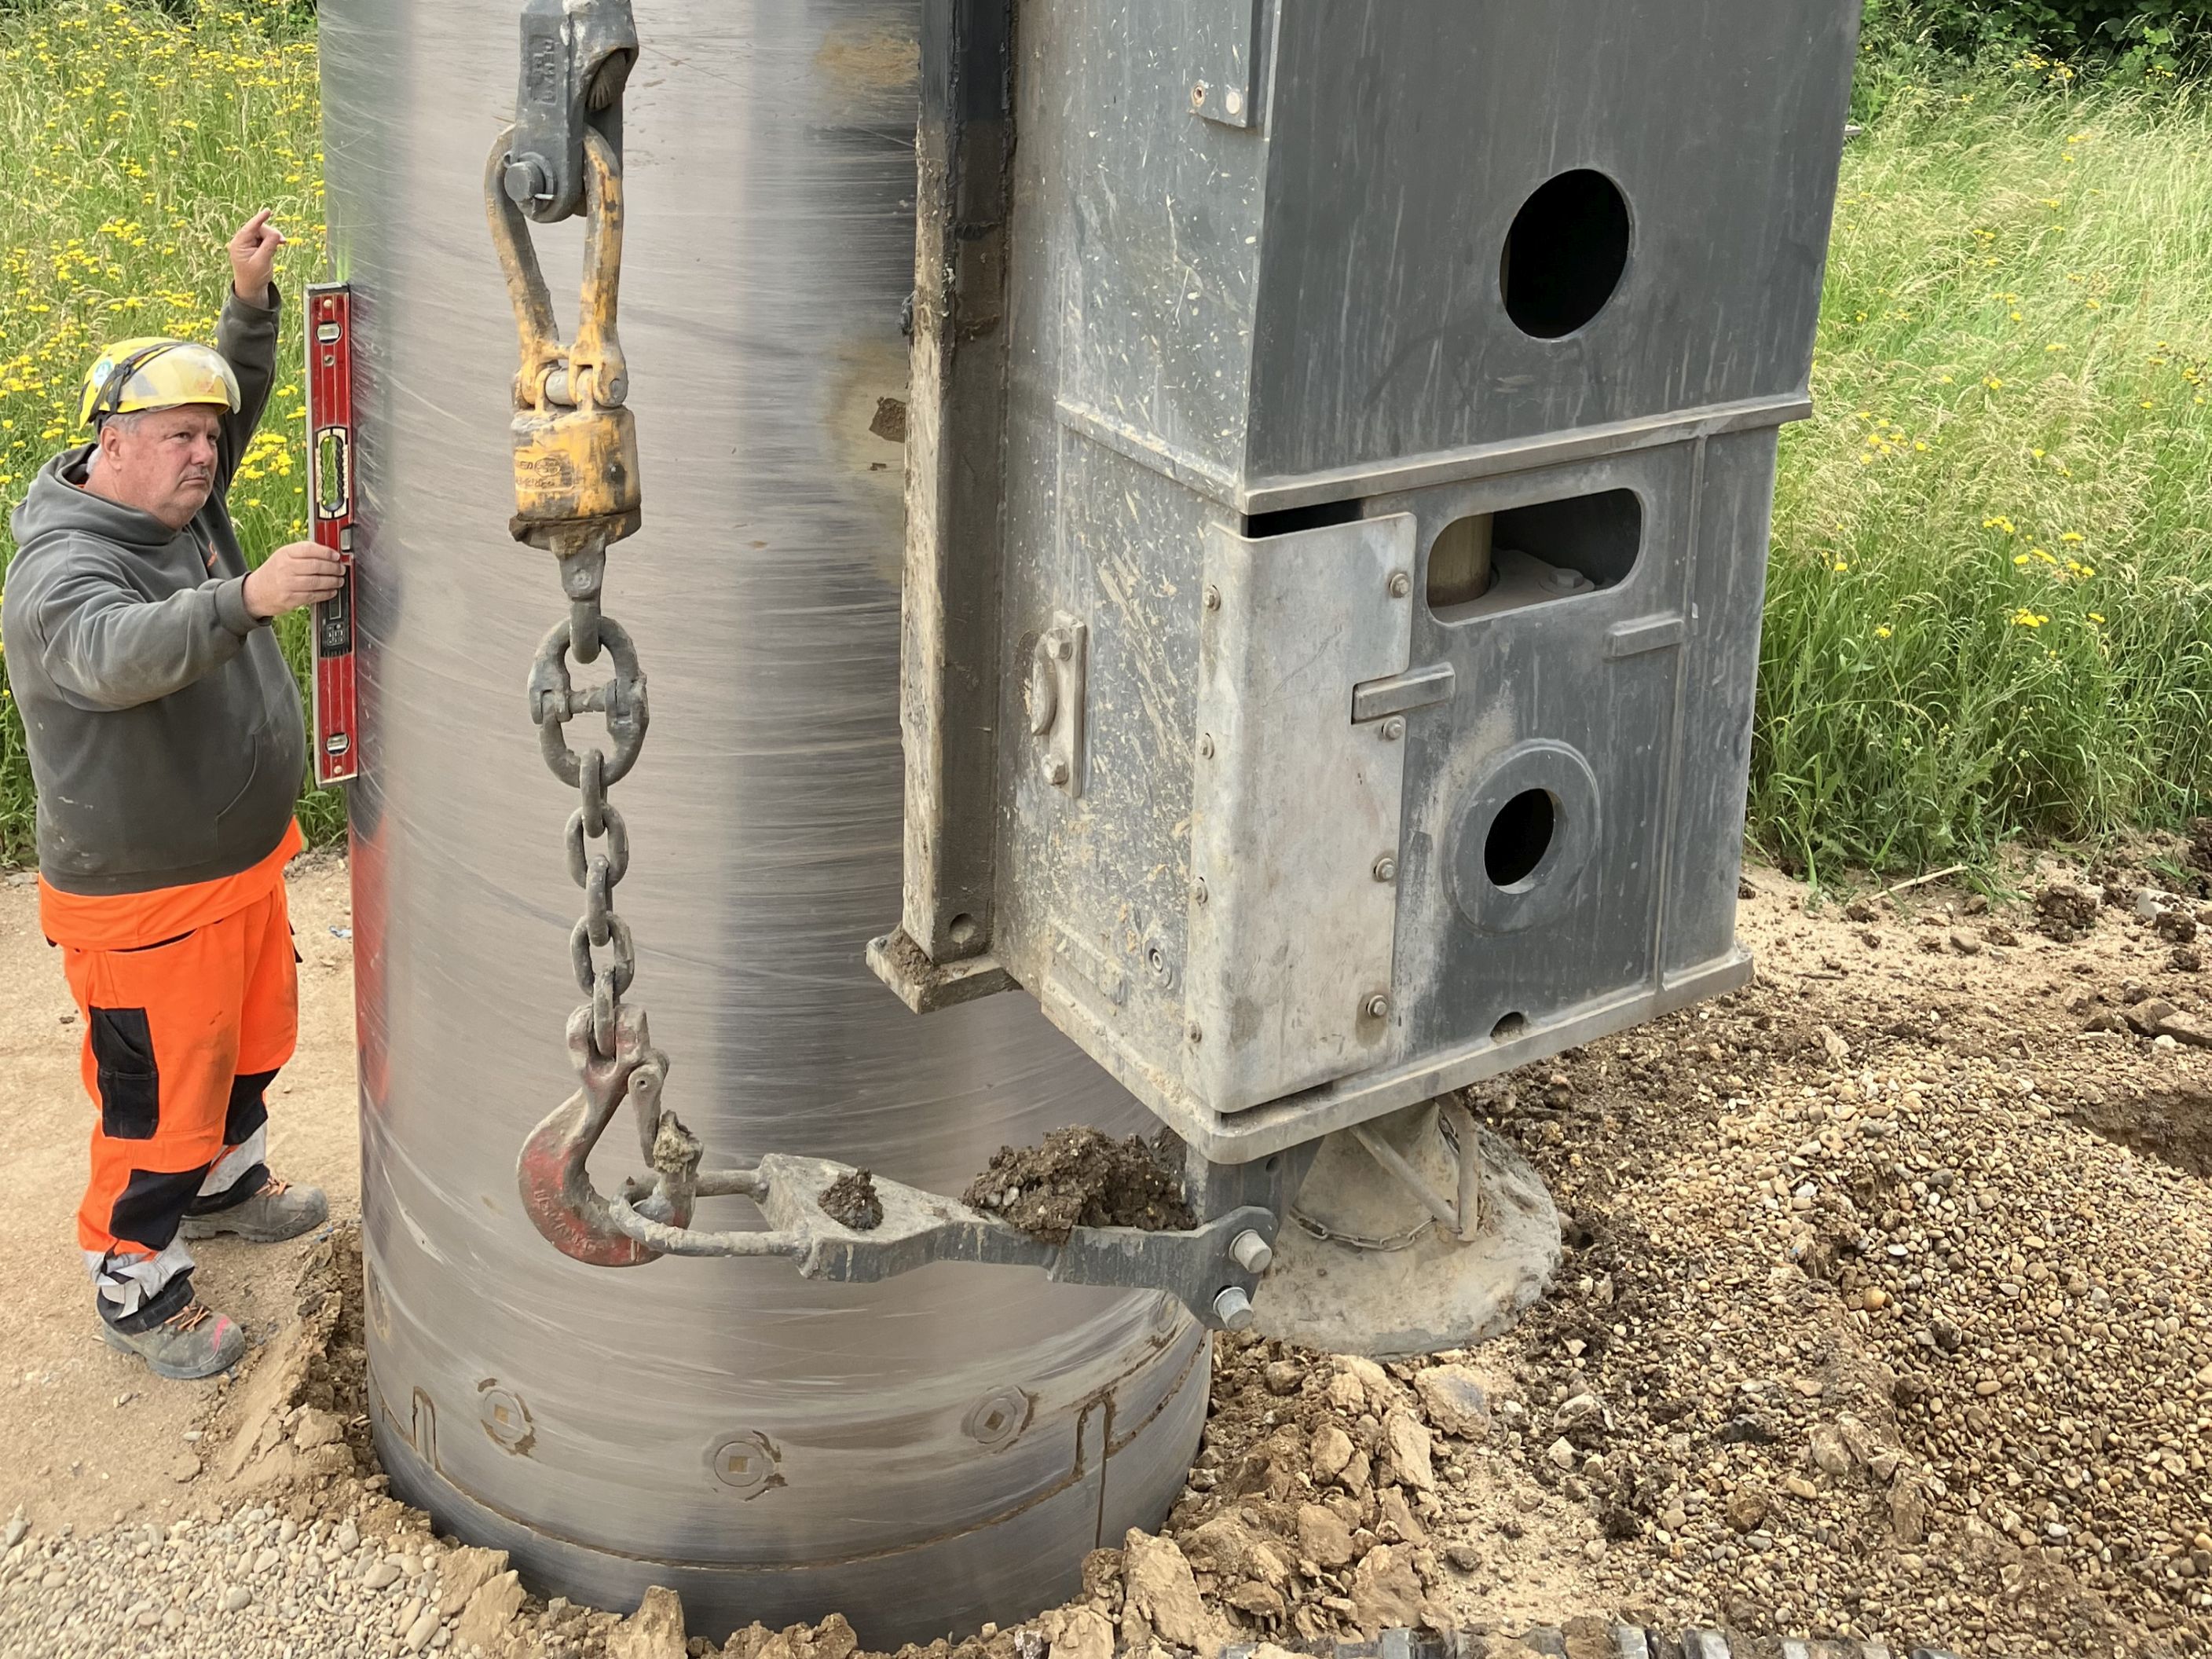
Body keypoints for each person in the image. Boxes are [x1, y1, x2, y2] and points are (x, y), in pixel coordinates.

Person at [2, 211, 347, 1380]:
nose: (207, 457)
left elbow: (229, 403)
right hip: (146, 901)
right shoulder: (64, 567)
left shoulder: (175, 500)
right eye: (178, 438)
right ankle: (137, 1281)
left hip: (234, 868)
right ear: (111, 443)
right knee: (158, 1100)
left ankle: (225, 1184)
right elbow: (110, 653)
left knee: (249, 1046)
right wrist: (245, 599)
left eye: (210, 439)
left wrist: (249, 307)